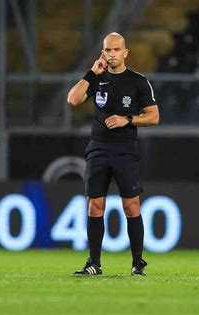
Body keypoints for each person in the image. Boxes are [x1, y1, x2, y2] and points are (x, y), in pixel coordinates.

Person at [67, 32, 160, 276]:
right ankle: (94, 264)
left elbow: (154, 116)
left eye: (116, 50)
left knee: (131, 206)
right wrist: (91, 72)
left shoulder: (138, 81)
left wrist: (127, 119)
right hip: (98, 148)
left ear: (125, 53)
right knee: (95, 206)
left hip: (125, 149)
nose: (111, 54)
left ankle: (138, 264)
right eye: (107, 50)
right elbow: (73, 99)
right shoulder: (97, 78)